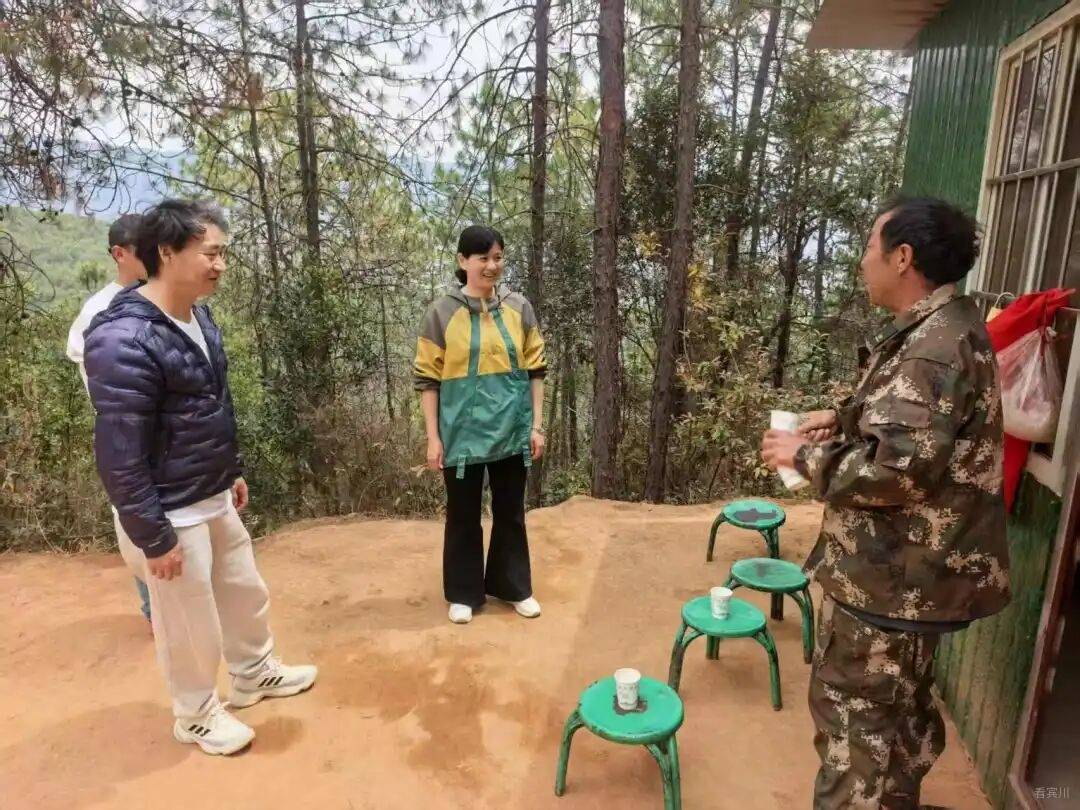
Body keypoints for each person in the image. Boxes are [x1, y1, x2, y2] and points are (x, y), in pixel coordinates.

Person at [761, 197, 1011, 810]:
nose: (862, 262)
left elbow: (896, 473)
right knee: (900, 724)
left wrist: (803, 456)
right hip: (914, 581)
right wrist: (843, 419)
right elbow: (922, 432)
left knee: (855, 735)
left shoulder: (931, 349)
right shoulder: (943, 327)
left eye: (870, 247)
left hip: (892, 583)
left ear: (903, 257)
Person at [84, 199, 317, 755]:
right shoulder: (122, 339)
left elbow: (212, 405)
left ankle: (252, 672)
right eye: (211, 253)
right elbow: (119, 453)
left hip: (209, 492)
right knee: (189, 621)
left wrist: (229, 470)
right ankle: (194, 714)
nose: (220, 265)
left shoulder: (196, 316)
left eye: (222, 254)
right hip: (170, 509)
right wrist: (153, 535)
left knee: (242, 590)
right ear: (167, 252)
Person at [413, 225, 548, 625]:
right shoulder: (441, 313)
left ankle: (514, 587)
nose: (492, 266)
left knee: (510, 511)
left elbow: (536, 369)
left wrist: (536, 426)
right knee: (463, 514)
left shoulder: (519, 307)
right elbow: (427, 380)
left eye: (498, 257)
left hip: (512, 429)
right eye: (483, 258)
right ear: (463, 261)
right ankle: (463, 593)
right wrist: (433, 438)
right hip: (461, 434)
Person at [66, 213, 152, 625]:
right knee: (138, 519)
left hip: (168, 436)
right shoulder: (98, 310)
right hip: (127, 435)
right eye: (144, 249)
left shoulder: (163, 296)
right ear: (120, 254)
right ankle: (154, 610)